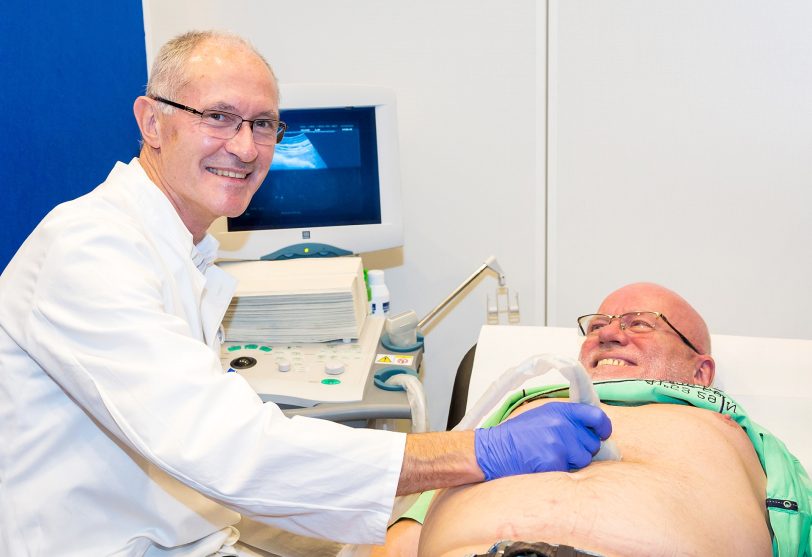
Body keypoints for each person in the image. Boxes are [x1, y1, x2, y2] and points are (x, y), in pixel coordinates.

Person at [0, 31, 612, 556]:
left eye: (262, 124)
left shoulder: (180, 252)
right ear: (151, 121)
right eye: (217, 116)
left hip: (192, 529)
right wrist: (482, 451)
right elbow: (225, 448)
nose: (245, 148)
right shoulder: (87, 251)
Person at [374, 282, 811, 557]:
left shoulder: (741, 434)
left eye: (641, 323)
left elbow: (796, 528)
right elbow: (408, 531)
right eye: (599, 323)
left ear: (701, 373)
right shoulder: (511, 413)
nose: (608, 331)